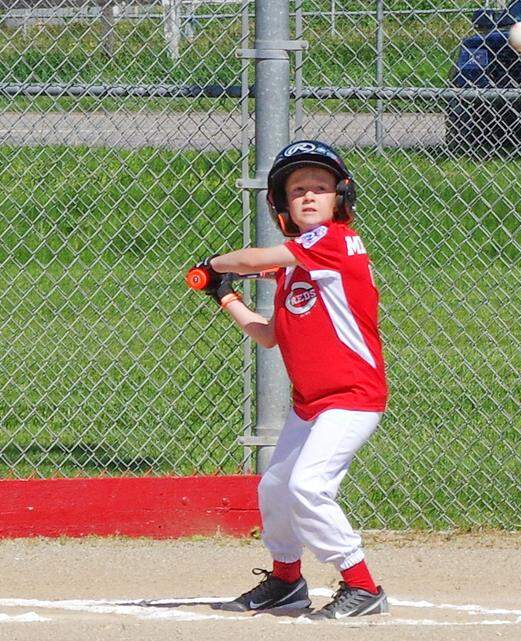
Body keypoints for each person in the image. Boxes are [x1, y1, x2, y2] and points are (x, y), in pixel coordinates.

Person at [194, 140, 389, 620]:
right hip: (310, 403)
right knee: (276, 488)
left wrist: (214, 265)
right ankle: (285, 581)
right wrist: (224, 297)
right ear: (281, 204)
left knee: (307, 486)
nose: (308, 196)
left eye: (319, 189)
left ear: (340, 198)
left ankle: (363, 585)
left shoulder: (336, 242)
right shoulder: (294, 272)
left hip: (353, 398)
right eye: (298, 189)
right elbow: (267, 336)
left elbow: (250, 259)